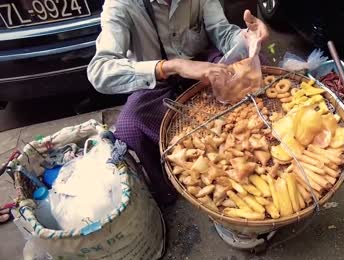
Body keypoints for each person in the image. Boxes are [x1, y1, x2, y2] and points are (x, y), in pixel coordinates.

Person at [87, 0, 269, 204]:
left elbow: (222, 32)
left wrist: (246, 38)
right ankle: (170, 186)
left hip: (204, 66)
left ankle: (260, 147)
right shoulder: (121, 5)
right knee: (130, 125)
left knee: (255, 64)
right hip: (157, 78)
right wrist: (172, 66)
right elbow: (100, 71)